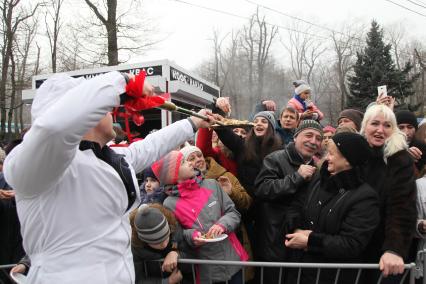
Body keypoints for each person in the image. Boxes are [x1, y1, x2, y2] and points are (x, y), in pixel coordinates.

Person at [3, 71, 216, 283]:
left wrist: (193, 122)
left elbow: (149, 148)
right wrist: (123, 82)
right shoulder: (35, 165)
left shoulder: (104, 157)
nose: (111, 111)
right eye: (103, 107)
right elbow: (54, 128)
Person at [284, 132, 380, 284]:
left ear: (348, 160)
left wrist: (311, 241)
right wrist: (295, 229)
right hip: (300, 271)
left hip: (333, 276)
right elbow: (296, 206)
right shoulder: (318, 179)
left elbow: (352, 244)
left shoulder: (365, 197)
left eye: (332, 154)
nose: (327, 158)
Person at [155, 150, 248, 284]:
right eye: (183, 162)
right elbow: (177, 236)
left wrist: (222, 224)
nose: (189, 163)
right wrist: (193, 236)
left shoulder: (212, 184)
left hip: (232, 260)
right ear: (173, 174)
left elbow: (233, 213)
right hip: (206, 269)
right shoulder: (169, 203)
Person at [253, 120, 323, 283]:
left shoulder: (318, 168)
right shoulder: (275, 159)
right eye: (309, 135)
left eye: (318, 138)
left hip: (302, 239)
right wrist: (296, 177)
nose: (313, 141)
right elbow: (262, 189)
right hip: (275, 238)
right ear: (296, 137)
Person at [361, 104, 417, 281]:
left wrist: (394, 249)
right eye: (375, 123)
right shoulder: (352, 155)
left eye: (387, 125)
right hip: (350, 245)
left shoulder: (400, 160)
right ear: (364, 126)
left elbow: (402, 207)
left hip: (384, 251)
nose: (380, 130)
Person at [130, 204, 186, 284]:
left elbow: (191, 254)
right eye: (157, 243)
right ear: (144, 241)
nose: (164, 245)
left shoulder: (174, 228)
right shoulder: (135, 249)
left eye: (166, 238)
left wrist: (175, 252)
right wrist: (167, 281)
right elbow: (137, 279)